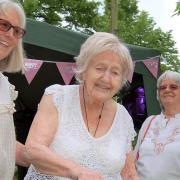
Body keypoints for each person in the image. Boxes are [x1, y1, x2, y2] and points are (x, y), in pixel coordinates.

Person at [24, 32, 139, 180]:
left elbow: (128, 173)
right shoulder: (58, 96)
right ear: (84, 69)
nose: (106, 78)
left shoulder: (123, 117)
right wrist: (76, 171)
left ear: (121, 80)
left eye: (115, 72)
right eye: (99, 68)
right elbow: (33, 150)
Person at [0, 0, 29, 179]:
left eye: (17, 30)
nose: (10, 34)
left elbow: (6, 144)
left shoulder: (4, 85)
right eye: (3, 24)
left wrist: (57, 160)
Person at [134, 70, 180, 180]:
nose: (167, 90)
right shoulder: (149, 121)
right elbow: (134, 158)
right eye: (162, 88)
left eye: (173, 87)